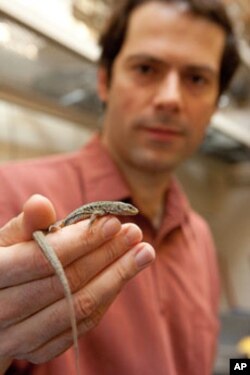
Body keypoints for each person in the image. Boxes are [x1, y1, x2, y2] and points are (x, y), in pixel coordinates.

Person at [0, 0, 240, 374]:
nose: (170, 99)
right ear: (104, 81)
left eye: (196, 79)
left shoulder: (202, 238)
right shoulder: (10, 194)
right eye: (146, 68)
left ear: (214, 105)